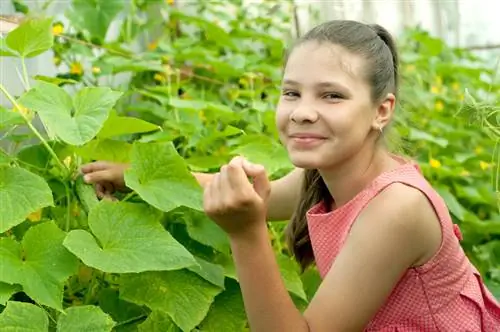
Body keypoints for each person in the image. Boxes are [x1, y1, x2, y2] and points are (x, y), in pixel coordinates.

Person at [81, 20, 500, 331]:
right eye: (291, 92)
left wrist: (246, 234)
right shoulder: (324, 175)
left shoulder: (397, 208)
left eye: (332, 95)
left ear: (381, 110)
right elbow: (249, 193)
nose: (301, 110)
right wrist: (133, 175)